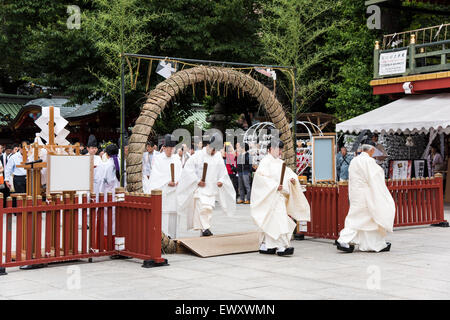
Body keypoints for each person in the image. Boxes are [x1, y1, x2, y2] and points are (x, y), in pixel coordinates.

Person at [250, 140, 311, 256]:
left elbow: (288, 174)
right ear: (270, 149)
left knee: (277, 220)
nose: (280, 151)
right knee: (276, 221)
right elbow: (260, 179)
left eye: (281, 149)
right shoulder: (265, 162)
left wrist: (293, 180)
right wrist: (274, 186)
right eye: (278, 148)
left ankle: (267, 245)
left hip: (278, 197)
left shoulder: (279, 162)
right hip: (269, 197)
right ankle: (281, 246)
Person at [336, 144, 395, 253]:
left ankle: (374, 244)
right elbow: (375, 176)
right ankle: (344, 239)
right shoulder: (368, 161)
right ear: (371, 150)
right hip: (365, 194)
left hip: (355, 193)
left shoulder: (354, 160)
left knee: (369, 219)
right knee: (359, 217)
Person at [176, 135, 236, 236]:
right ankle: (205, 228)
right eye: (212, 149)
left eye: (215, 150)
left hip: (211, 188)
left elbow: (223, 172)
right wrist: (197, 180)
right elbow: (188, 169)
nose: (213, 152)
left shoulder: (217, 156)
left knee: (208, 209)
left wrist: (221, 181)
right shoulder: (198, 155)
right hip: (200, 188)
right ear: (208, 145)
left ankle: (204, 229)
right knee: (202, 207)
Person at [149, 134, 182, 239]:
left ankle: (172, 238)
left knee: (173, 214)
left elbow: (181, 173)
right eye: (169, 148)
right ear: (164, 147)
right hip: (164, 192)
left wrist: (177, 181)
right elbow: (156, 176)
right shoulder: (158, 159)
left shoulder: (176, 158)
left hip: (175, 191)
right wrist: (167, 182)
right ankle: (163, 238)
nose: (170, 150)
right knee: (164, 214)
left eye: (172, 148)